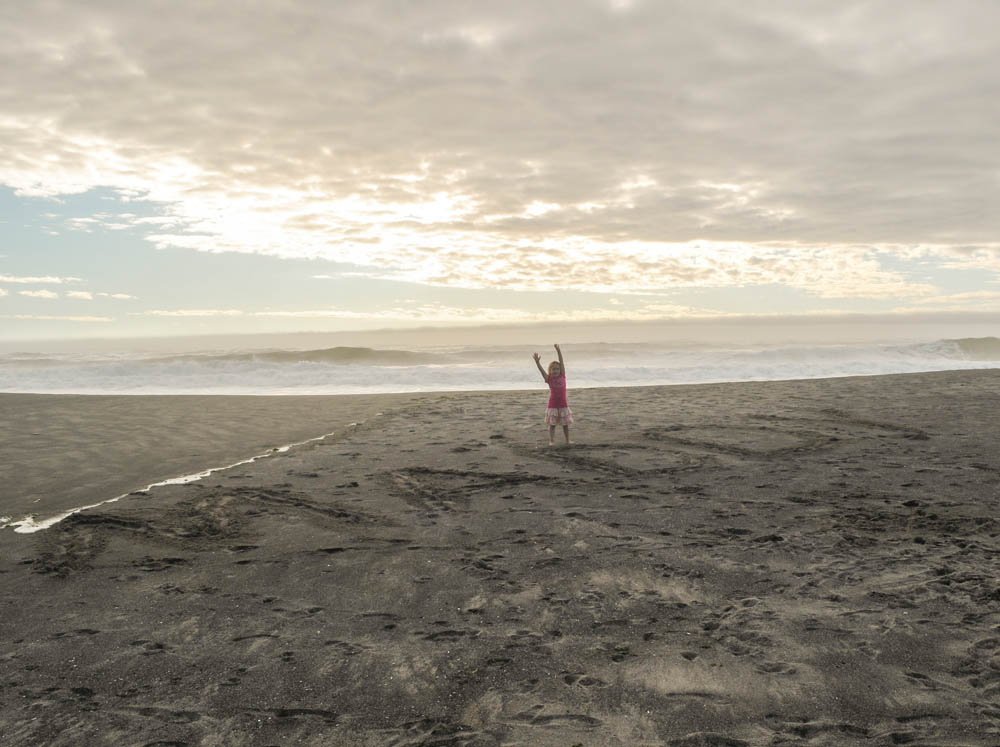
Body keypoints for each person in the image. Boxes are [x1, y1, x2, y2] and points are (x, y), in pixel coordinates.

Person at [532, 343, 573, 446]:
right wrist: (537, 363)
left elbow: (562, 363)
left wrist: (558, 351)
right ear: (550, 371)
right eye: (553, 369)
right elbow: (541, 371)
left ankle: (568, 440)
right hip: (553, 405)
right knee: (552, 425)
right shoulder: (549, 379)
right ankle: (551, 440)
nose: (555, 371)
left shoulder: (563, 376)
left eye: (557, 369)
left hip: (563, 405)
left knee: (565, 425)